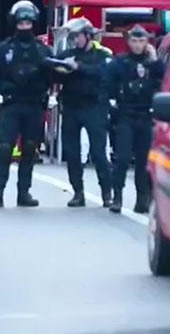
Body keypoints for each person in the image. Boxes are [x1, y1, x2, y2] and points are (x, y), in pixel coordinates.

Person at [0, 0, 54, 208]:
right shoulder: (3, 49)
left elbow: (51, 78)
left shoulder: (43, 51)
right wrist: (9, 89)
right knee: (5, 148)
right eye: (21, 23)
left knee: (30, 148)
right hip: (12, 105)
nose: (24, 27)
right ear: (14, 23)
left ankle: (24, 192)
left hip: (34, 105)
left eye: (28, 23)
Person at [101, 25, 165, 214]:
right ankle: (117, 196)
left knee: (143, 161)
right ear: (128, 42)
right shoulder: (119, 63)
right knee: (121, 158)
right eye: (134, 41)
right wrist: (110, 107)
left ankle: (142, 198)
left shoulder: (152, 64)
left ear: (147, 42)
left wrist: (154, 60)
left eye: (141, 41)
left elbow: (165, 77)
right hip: (125, 115)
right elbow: (106, 86)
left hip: (146, 115)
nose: (138, 45)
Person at [54, 18, 113, 207]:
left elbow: (105, 72)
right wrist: (61, 68)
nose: (75, 40)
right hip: (71, 107)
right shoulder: (67, 54)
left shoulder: (103, 54)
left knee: (98, 153)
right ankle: (78, 192)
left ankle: (107, 192)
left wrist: (79, 68)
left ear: (88, 36)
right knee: (72, 153)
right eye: (72, 37)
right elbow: (53, 72)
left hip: (94, 108)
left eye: (77, 36)